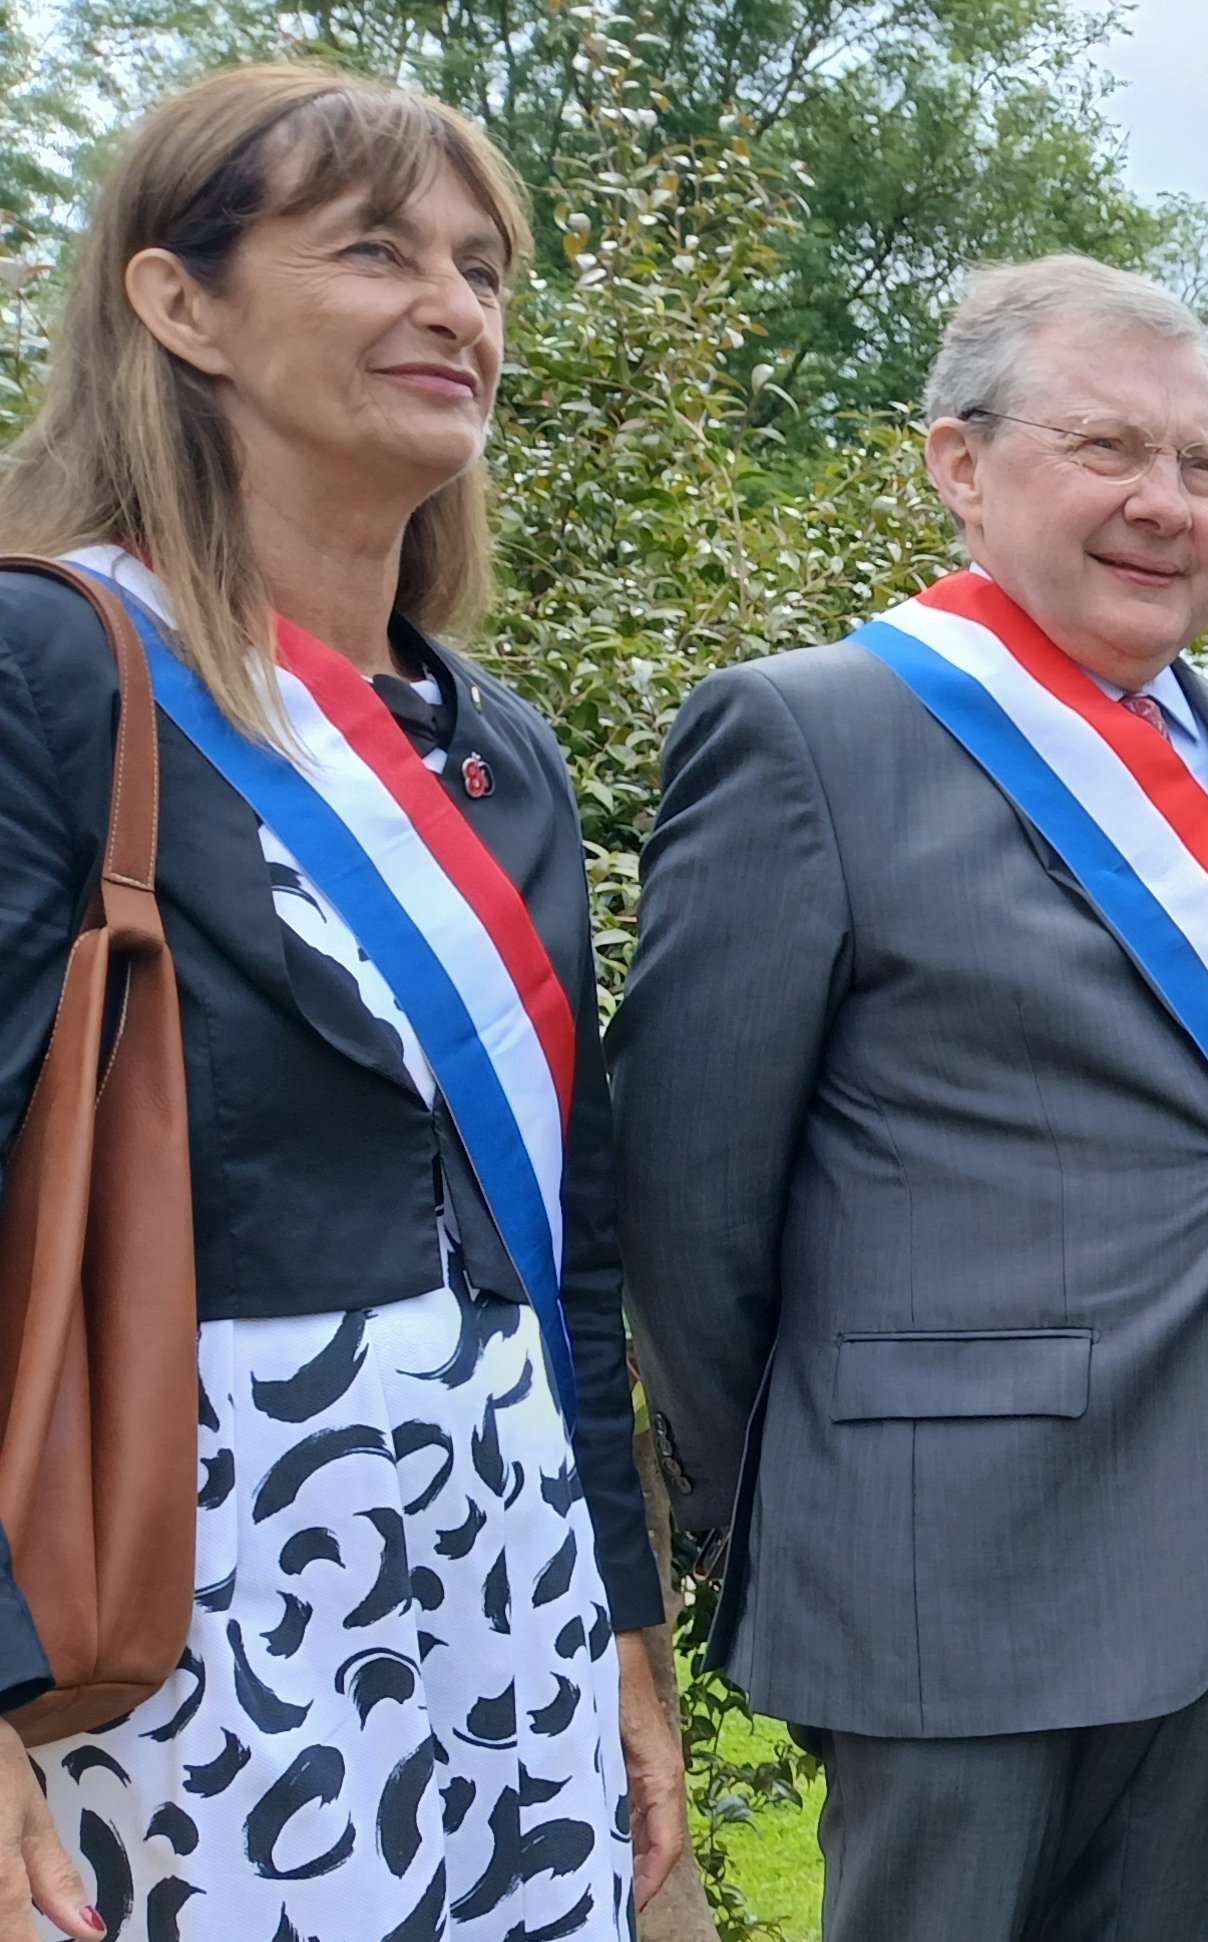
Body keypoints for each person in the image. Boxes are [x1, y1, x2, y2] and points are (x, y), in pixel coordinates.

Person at [612, 255, 1208, 1942]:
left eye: (1201, 462)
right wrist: (808, 1482)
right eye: (1108, 446)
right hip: (943, 1565)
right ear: (957, 464)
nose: (1165, 500)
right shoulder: (808, 734)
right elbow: (685, 1193)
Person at [0, 64, 683, 1941]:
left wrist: (625, 1632)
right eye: (376, 251)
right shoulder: (46, 664)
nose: (455, 306)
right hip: (182, 1590)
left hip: (507, 1562)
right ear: (180, 302)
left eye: (482, 268)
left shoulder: (503, 754)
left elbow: (573, 1252)